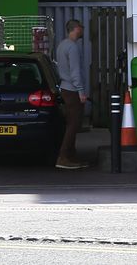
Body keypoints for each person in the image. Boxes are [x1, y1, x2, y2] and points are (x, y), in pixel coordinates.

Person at [55, 19, 89, 169]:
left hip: (65, 88)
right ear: (76, 28)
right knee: (74, 125)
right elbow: (75, 72)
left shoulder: (61, 45)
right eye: (81, 27)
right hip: (73, 90)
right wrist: (81, 91)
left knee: (70, 123)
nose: (82, 30)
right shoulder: (73, 47)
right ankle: (63, 156)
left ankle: (72, 156)